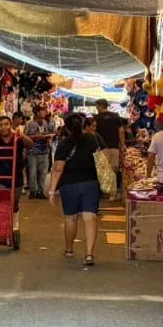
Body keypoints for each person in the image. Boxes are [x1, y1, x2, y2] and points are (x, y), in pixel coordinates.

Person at [48, 113, 103, 266]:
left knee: (71, 218)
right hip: (90, 184)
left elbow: (58, 169)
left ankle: (69, 249)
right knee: (90, 218)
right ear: (83, 125)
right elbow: (100, 160)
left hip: (69, 186)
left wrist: (52, 191)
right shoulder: (92, 139)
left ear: (66, 127)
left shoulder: (63, 144)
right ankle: (89, 254)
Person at [0, 116, 32, 230]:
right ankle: (1, 227)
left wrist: (22, 135)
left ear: (10, 125)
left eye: (6, 124)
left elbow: (30, 145)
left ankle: (14, 225)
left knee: (14, 204)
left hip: (16, 178)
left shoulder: (18, 139)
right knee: (0, 202)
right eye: (0, 125)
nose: (3, 127)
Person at [93, 98, 126, 198]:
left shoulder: (96, 118)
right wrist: (122, 145)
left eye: (97, 106)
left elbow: (93, 133)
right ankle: (112, 194)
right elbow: (121, 131)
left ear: (100, 106)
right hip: (114, 147)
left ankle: (105, 192)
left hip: (101, 148)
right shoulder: (116, 116)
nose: (96, 108)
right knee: (113, 170)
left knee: (102, 170)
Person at [23, 106, 56, 200]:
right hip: (33, 152)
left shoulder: (46, 123)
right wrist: (36, 137)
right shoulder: (30, 124)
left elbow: (51, 132)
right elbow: (25, 136)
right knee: (32, 173)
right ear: (37, 112)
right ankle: (32, 191)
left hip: (44, 151)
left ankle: (40, 191)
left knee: (43, 173)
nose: (44, 113)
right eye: (42, 111)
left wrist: (49, 136)